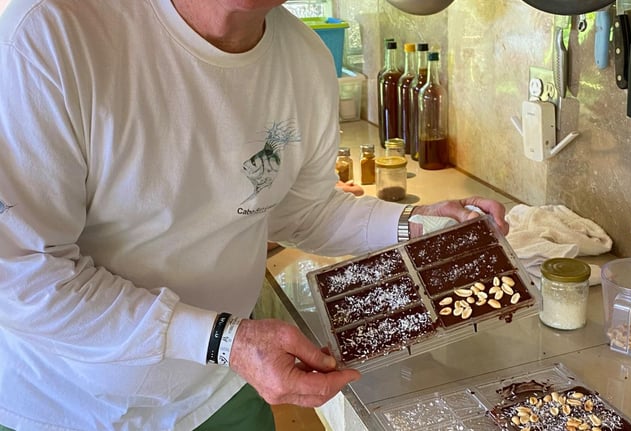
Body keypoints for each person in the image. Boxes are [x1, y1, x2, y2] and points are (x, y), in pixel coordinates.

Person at [0, 0, 510, 430]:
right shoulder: (49, 34)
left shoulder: (305, 60)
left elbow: (299, 209)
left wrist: (416, 224)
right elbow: (21, 274)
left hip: (217, 396)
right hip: (63, 406)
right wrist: (227, 340)